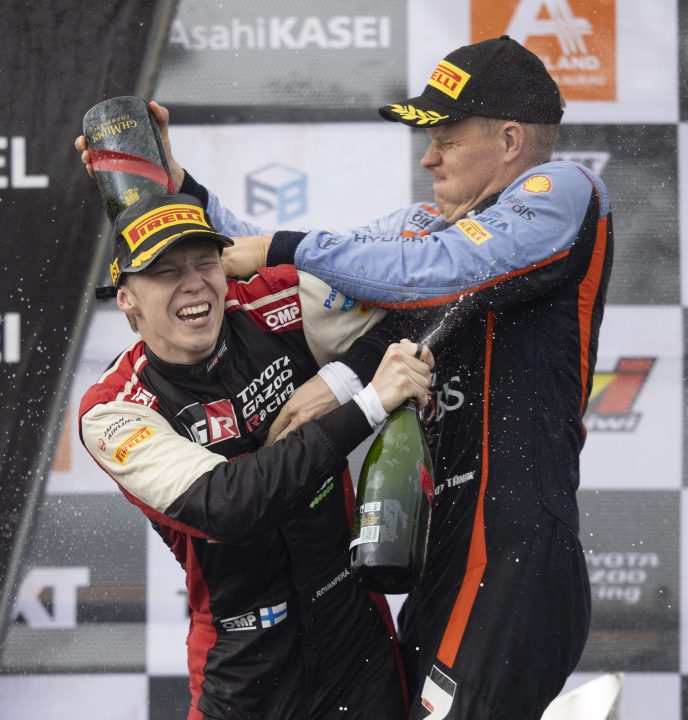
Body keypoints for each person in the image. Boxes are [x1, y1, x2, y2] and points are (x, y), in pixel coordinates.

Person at [103, 34, 613, 720]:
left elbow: (442, 268)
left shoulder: (563, 192)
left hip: (512, 544)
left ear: (511, 140)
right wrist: (181, 189)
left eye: (445, 139)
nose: (428, 157)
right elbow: (296, 271)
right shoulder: (424, 229)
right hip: (443, 548)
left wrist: (343, 374)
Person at [77, 190, 435, 719]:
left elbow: (427, 288)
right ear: (126, 298)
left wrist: (339, 380)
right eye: (166, 272)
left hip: (354, 642)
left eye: (205, 262)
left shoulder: (273, 303)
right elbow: (228, 505)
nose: (193, 283)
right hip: (244, 665)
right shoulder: (114, 409)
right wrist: (366, 405)